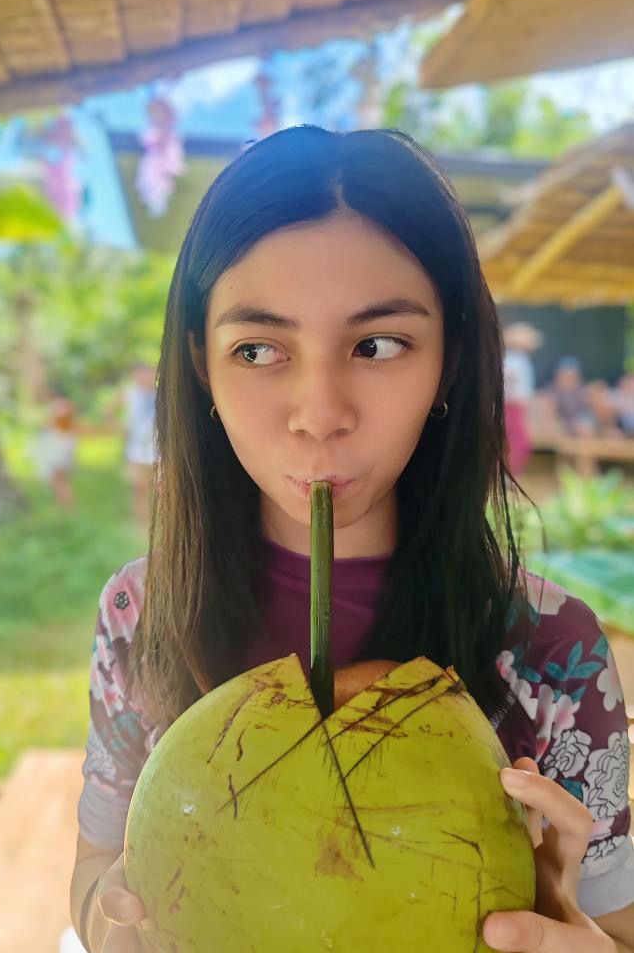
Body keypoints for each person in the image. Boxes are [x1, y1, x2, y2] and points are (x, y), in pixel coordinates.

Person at [70, 128, 633, 953]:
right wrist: (122, 928)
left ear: (447, 359)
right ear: (201, 364)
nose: (319, 413)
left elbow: (618, 930)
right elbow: (93, 867)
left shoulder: (556, 650)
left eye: (378, 344)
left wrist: (572, 935)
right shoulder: (142, 609)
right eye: (258, 348)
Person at [119, 362, 158, 533]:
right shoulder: (130, 395)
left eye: (147, 374)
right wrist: (120, 427)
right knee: (139, 489)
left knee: (162, 490)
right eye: (140, 374)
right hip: (135, 451)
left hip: (158, 451)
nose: (144, 378)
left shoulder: (162, 394)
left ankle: (162, 525)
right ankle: (142, 526)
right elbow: (108, 411)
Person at [503, 322, 542, 477]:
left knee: (514, 440)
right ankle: (509, 473)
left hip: (515, 405)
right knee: (517, 441)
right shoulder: (515, 359)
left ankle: (509, 473)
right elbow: (509, 379)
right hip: (512, 405)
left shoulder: (516, 359)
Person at [32, 390, 78, 507]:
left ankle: (67, 507)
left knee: (60, 480)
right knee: (58, 480)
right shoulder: (64, 407)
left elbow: (60, 425)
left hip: (60, 445)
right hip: (61, 444)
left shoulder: (60, 407)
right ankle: (62, 506)